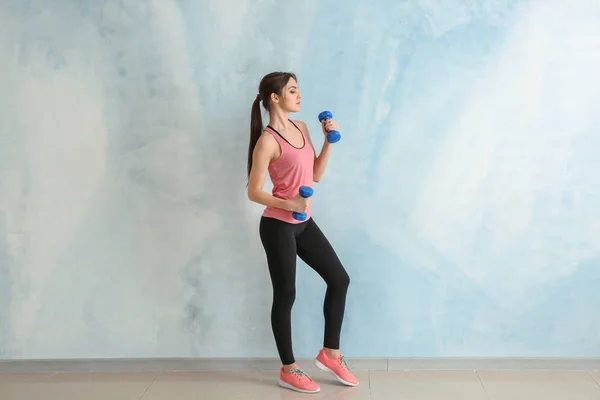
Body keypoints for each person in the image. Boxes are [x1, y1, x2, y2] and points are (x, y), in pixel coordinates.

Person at [246, 72, 359, 394]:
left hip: (304, 223)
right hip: (278, 226)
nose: (300, 96)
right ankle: (289, 368)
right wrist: (288, 201)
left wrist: (327, 142)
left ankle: (330, 353)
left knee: (339, 279)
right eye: (293, 91)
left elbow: (316, 175)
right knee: (286, 295)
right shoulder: (268, 141)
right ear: (275, 98)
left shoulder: (302, 128)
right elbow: (254, 191)